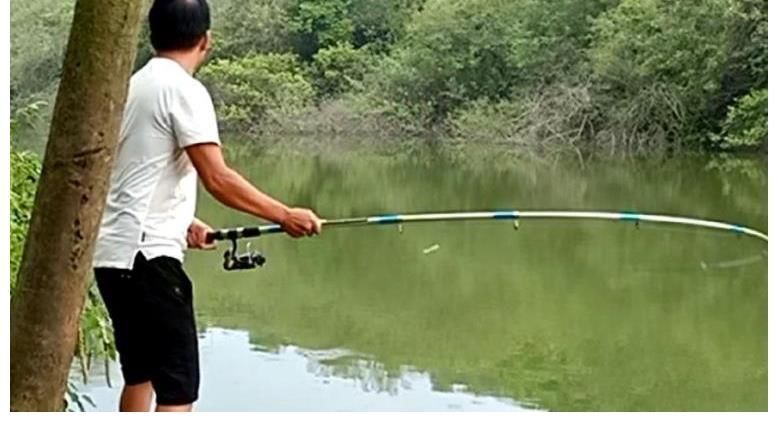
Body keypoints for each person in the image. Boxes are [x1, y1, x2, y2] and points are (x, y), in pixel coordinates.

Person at [92, 0, 322, 412]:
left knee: (140, 374)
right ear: (206, 40)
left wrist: (184, 220)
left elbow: (134, 173)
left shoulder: (133, 86)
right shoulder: (184, 90)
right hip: (150, 259)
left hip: (113, 255)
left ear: (153, 35)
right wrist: (285, 215)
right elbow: (217, 177)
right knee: (178, 393)